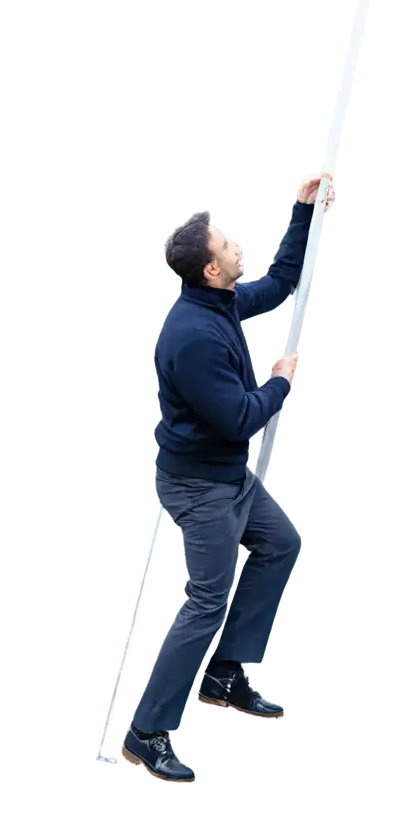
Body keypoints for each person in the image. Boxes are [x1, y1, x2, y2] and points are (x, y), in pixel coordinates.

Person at [122, 171, 334, 783]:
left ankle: (225, 672)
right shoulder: (190, 337)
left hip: (228, 477)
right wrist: (283, 381)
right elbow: (240, 418)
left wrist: (301, 209)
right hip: (201, 486)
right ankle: (147, 730)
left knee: (279, 544)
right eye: (230, 245)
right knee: (204, 605)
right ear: (211, 271)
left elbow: (281, 279)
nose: (241, 248)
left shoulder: (218, 301)